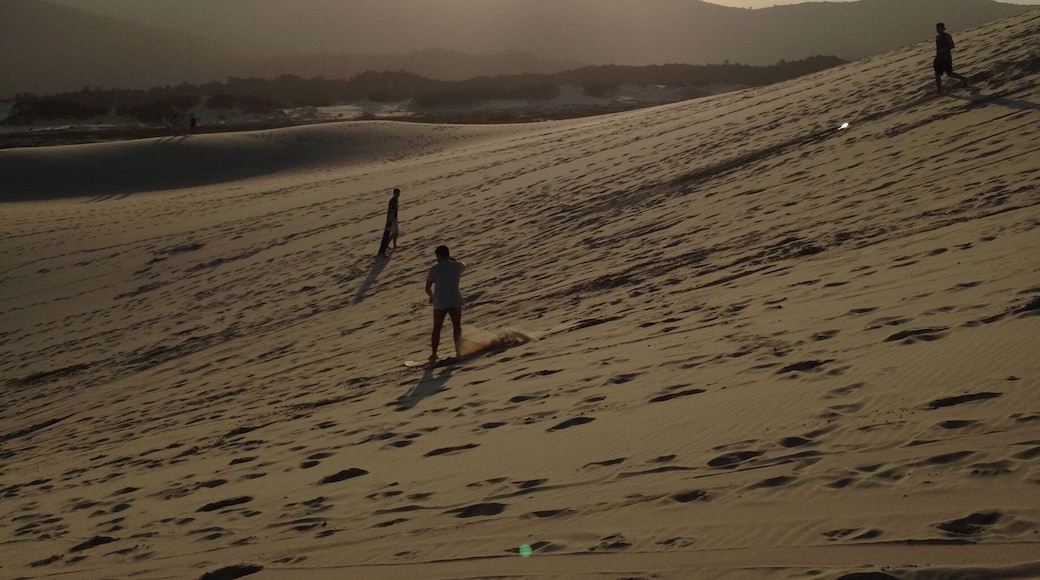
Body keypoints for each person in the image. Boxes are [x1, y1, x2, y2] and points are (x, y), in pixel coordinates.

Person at [425, 245, 466, 364]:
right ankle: (458, 351)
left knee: (437, 328)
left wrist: (432, 297)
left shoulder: (434, 269)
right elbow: (463, 264)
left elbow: (427, 288)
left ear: (438, 256)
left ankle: (433, 354)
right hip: (455, 299)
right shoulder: (458, 266)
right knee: (456, 326)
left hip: (440, 302)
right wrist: (452, 260)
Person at [934, 22, 968, 94]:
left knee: (949, 73)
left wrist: (944, 49)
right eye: (937, 28)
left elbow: (952, 45)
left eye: (939, 28)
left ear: (943, 28)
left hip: (946, 57)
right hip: (939, 58)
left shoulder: (947, 36)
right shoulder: (937, 37)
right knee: (937, 74)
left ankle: (963, 79)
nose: (938, 30)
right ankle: (939, 90)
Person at [376, 188, 400, 257]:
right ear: (394, 193)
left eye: (399, 193)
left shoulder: (396, 200)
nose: (398, 195)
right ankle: (387, 244)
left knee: (396, 232)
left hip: (394, 218)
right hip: (391, 219)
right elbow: (391, 210)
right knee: (395, 232)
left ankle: (393, 244)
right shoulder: (392, 201)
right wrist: (391, 219)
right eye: (397, 193)